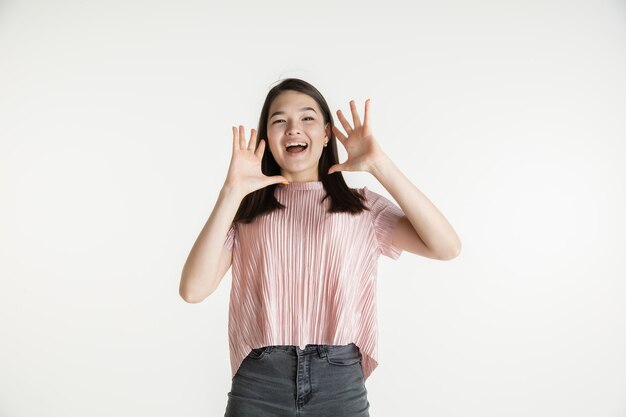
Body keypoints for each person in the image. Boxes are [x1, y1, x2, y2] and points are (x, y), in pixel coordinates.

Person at [179, 78, 462, 416]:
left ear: (327, 133)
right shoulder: (246, 212)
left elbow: (447, 247)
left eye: (307, 118)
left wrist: (379, 164)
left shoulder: (362, 207)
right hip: (259, 382)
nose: (293, 128)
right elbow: (192, 290)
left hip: (338, 379)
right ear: (267, 138)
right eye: (279, 120)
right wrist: (231, 192)